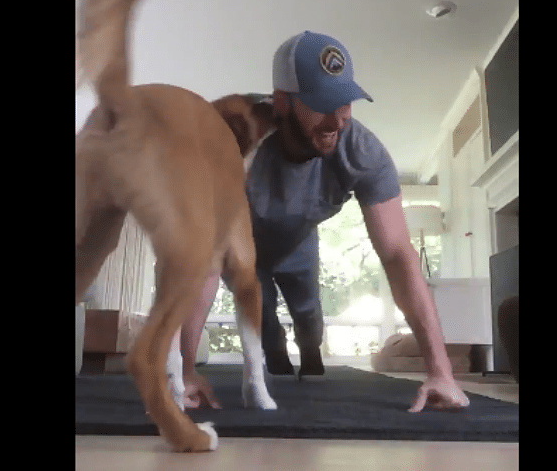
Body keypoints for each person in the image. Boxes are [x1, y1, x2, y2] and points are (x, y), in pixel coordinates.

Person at [180, 31, 470, 412]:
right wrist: (185, 370)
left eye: (345, 101)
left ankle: (309, 349)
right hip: (240, 248)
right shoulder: (232, 135)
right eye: (320, 104)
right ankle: (275, 354)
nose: (338, 118)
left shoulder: (363, 152)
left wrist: (441, 371)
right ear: (281, 102)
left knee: (308, 313)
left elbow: (399, 254)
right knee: (262, 314)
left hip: (299, 243)